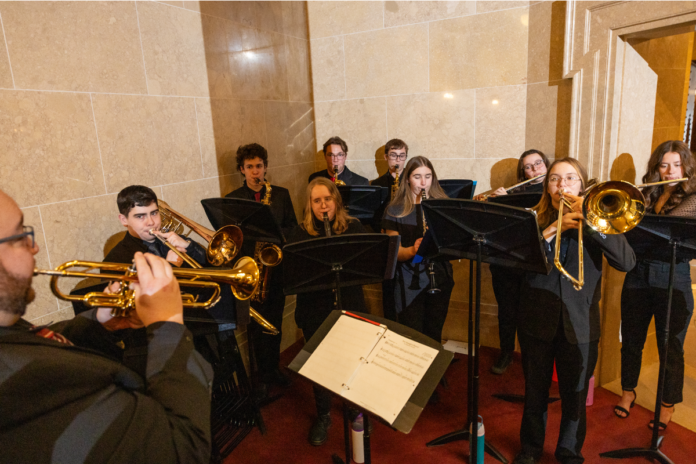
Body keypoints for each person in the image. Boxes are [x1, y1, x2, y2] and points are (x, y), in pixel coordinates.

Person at [0, 188, 213, 463]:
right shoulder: (20, 383)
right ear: (124, 220)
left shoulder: (11, 329)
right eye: (20, 236)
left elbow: (43, 341)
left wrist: (101, 321)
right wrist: (167, 324)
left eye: (153, 213)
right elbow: (184, 448)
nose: (35, 247)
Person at [513, 158, 635, 464]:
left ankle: (569, 452)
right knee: (535, 393)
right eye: (555, 179)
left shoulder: (600, 220)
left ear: (582, 185)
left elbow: (627, 262)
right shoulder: (533, 219)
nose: (562, 185)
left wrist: (593, 224)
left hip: (580, 326)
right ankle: (529, 450)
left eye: (570, 178)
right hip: (536, 322)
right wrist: (554, 228)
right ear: (547, 186)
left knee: (575, 397)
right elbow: (515, 264)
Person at [614, 140, 696, 430]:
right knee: (631, 339)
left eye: (677, 165)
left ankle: (667, 404)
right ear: (656, 167)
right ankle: (628, 392)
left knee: (670, 347)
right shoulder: (648, 192)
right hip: (637, 274)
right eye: (664, 165)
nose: (670, 171)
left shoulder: (694, 197)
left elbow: (663, 231)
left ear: (686, 166)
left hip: (673, 277)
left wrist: (638, 225)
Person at [286, 177, 367, 446]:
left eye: (328, 200)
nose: (323, 206)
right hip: (315, 309)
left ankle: (353, 408)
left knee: (352, 359)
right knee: (320, 364)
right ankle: (323, 414)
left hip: (350, 304)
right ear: (310, 204)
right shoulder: (299, 234)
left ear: (336, 201)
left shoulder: (353, 227)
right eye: (317, 200)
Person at [225, 143, 298, 389]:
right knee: (255, 327)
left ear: (265, 167)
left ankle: (273, 369)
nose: (255, 172)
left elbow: (292, 226)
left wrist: (277, 236)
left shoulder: (281, 194)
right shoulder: (233, 199)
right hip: (250, 271)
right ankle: (260, 376)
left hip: (276, 269)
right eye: (249, 167)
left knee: (274, 323)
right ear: (241, 170)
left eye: (259, 166)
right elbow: (230, 236)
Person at [487, 150, 550, 374]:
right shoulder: (514, 193)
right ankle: (506, 353)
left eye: (538, 164)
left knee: (531, 315)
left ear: (546, 166)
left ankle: (530, 358)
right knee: (506, 311)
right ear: (523, 173)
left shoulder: (554, 193)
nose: (534, 170)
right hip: (508, 262)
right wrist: (499, 203)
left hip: (534, 264)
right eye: (528, 167)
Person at [382, 156, 454, 347]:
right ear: (407, 179)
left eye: (428, 176)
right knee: (413, 334)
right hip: (409, 279)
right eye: (417, 176)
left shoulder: (442, 205)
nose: (423, 182)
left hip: (439, 275)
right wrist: (413, 250)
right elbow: (394, 252)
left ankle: (434, 372)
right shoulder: (394, 210)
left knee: (434, 330)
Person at [104, 185, 207, 268]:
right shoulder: (114, 261)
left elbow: (212, 267)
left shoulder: (175, 240)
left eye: (154, 213)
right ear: (124, 220)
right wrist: (171, 266)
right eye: (140, 216)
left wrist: (189, 247)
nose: (151, 222)